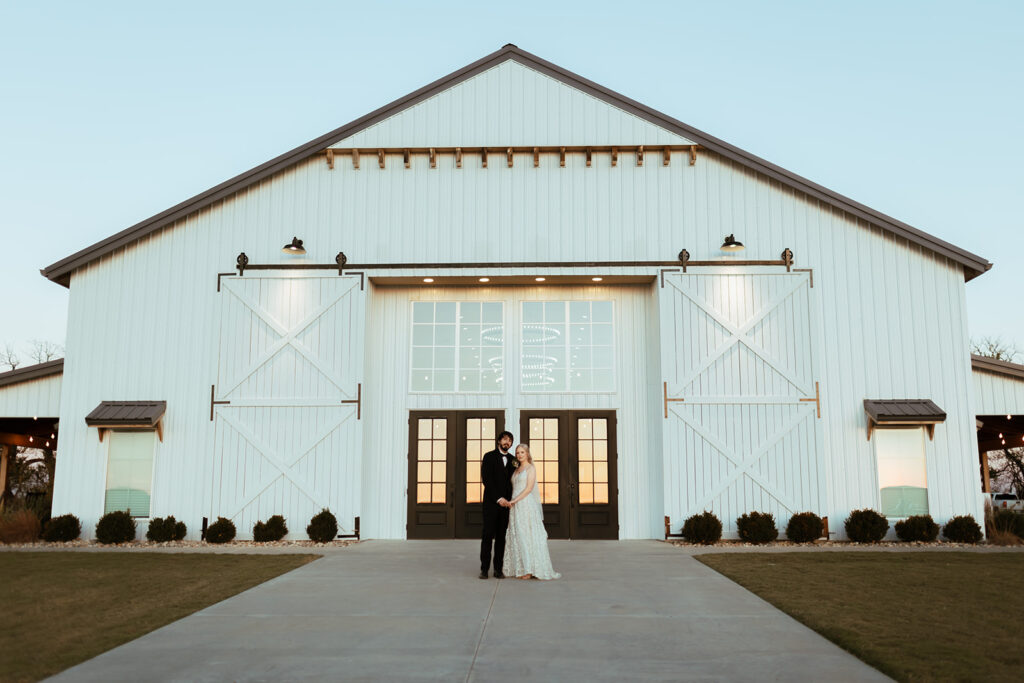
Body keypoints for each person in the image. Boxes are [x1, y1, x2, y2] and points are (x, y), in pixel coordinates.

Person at [502, 444, 561, 580]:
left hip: (525, 504)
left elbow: (528, 489)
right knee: (517, 535)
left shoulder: (530, 468)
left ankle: (529, 569)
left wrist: (514, 500)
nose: (519, 455)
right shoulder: (516, 469)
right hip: (515, 506)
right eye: (517, 453)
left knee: (526, 535)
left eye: (522, 452)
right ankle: (521, 567)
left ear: (527, 454)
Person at [480, 430, 516, 579]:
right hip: (491, 504)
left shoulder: (514, 460)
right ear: (499, 441)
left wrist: (509, 500)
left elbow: (515, 480)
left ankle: (498, 569)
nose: (507, 442)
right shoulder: (489, 456)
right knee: (487, 536)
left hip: (506, 505)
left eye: (510, 441)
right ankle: (484, 569)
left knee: (502, 537)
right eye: (505, 440)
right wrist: (498, 498)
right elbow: (486, 480)